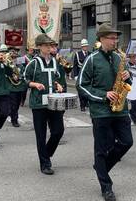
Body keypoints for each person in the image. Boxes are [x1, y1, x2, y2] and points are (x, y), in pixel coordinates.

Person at [78, 23, 133, 201]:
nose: (114, 40)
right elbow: (82, 85)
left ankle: (101, 167)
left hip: (120, 108)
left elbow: (128, 82)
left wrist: (127, 76)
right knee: (102, 148)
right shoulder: (91, 59)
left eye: (115, 37)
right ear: (101, 39)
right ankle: (106, 186)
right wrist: (104, 95)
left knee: (127, 142)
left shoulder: (119, 58)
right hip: (101, 110)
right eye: (111, 38)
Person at [24, 34, 65, 175]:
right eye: (47, 45)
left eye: (51, 45)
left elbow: (55, 78)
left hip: (53, 101)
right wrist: (34, 84)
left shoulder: (54, 62)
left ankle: (46, 154)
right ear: (39, 47)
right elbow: (25, 79)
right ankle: (45, 164)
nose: (50, 47)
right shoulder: (33, 63)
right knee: (41, 135)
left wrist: (58, 85)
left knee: (58, 131)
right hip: (38, 104)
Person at [6, 45, 25, 128]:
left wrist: (19, 76)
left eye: (16, 51)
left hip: (19, 86)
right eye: (12, 51)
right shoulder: (6, 61)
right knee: (13, 104)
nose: (14, 52)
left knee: (16, 104)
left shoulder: (20, 60)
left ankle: (12, 113)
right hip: (10, 86)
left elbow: (24, 71)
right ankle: (15, 120)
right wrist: (11, 75)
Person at [74, 39, 90, 111]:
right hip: (80, 75)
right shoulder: (78, 54)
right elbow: (75, 66)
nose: (85, 47)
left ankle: (86, 103)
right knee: (81, 91)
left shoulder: (90, 53)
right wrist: (75, 75)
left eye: (86, 46)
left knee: (88, 90)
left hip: (88, 75)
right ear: (81, 47)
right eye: (84, 46)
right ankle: (82, 105)